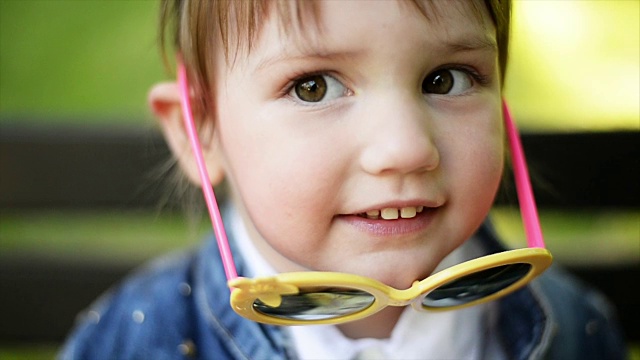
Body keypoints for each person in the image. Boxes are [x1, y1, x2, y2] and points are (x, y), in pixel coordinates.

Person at [59, 1, 628, 359]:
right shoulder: (135, 341)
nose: (405, 148)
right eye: (315, 87)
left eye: (446, 78)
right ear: (200, 132)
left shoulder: (574, 331)